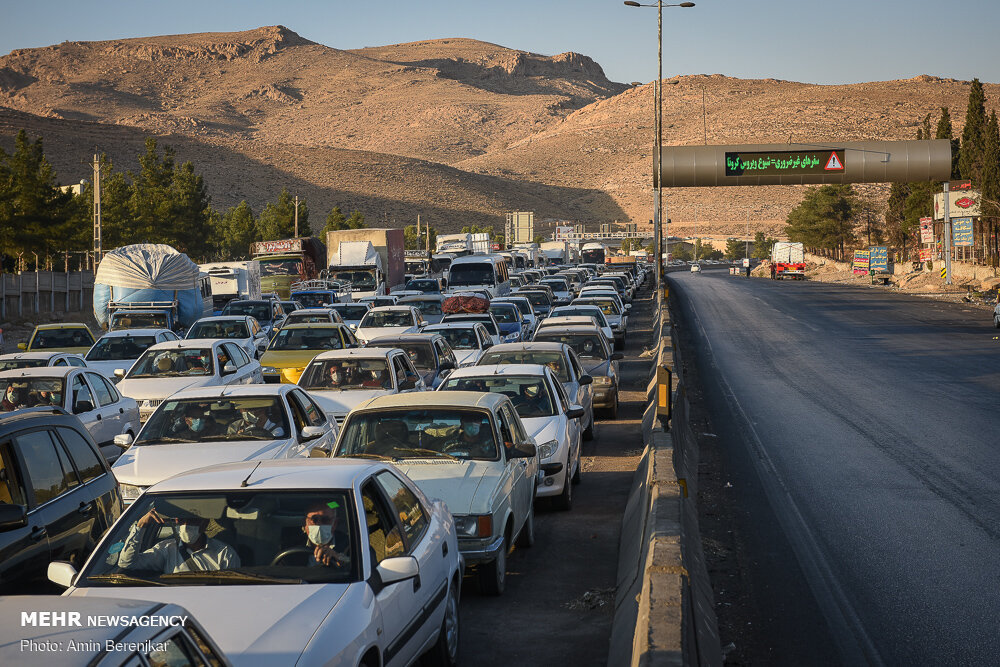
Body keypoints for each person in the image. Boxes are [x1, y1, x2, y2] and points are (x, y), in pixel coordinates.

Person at [118, 507, 240, 574]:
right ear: (176, 522)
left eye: (192, 521)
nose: (186, 525)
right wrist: (141, 526)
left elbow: (231, 591)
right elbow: (126, 563)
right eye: (182, 521)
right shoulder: (166, 549)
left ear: (204, 523)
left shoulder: (224, 553)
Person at [302, 501, 351, 568]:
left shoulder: (350, 543)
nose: (319, 524)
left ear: (335, 523)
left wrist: (338, 557)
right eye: (314, 519)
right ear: (305, 523)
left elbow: (358, 564)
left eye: (325, 520)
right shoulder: (292, 543)